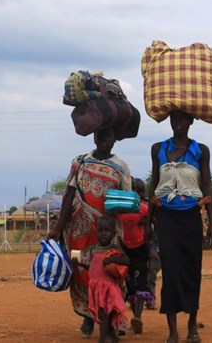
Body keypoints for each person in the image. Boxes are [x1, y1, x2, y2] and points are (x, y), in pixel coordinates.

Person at [48, 129, 132, 339]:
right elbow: (69, 194)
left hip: (109, 229)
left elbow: (126, 201)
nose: (104, 140)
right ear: (94, 138)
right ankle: (88, 315)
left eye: (108, 136)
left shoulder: (121, 166)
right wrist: (58, 227)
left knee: (111, 274)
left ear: (115, 138)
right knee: (83, 273)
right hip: (80, 229)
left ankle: (115, 319)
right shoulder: (80, 162)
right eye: (100, 136)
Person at [149, 110, 212, 343]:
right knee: (170, 271)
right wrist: (149, 221)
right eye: (173, 119)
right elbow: (153, 186)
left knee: (191, 271)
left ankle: (191, 326)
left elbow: (206, 188)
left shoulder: (201, 151)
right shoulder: (158, 149)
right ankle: (173, 331)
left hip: (191, 218)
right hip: (166, 219)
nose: (177, 123)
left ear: (191, 121)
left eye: (182, 119)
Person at [73, 214, 129, 343]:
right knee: (105, 314)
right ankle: (112, 336)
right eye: (100, 231)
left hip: (108, 288)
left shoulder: (113, 249)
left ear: (114, 233)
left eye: (107, 231)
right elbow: (94, 267)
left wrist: (112, 259)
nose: (103, 234)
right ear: (96, 231)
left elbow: (126, 260)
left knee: (104, 314)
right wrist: (80, 264)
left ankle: (102, 339)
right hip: (96, 288)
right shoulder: (95, 249)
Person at [115, 177, 154, 335]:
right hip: (124, 250)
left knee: (141, 283)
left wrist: (147, 224)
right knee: (128, 285)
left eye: (138, 192)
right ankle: (125, 318)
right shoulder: (118, 210)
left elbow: (154, 222)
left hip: (140, 250)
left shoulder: (143, 209)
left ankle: (137, 317)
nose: (136, 195)